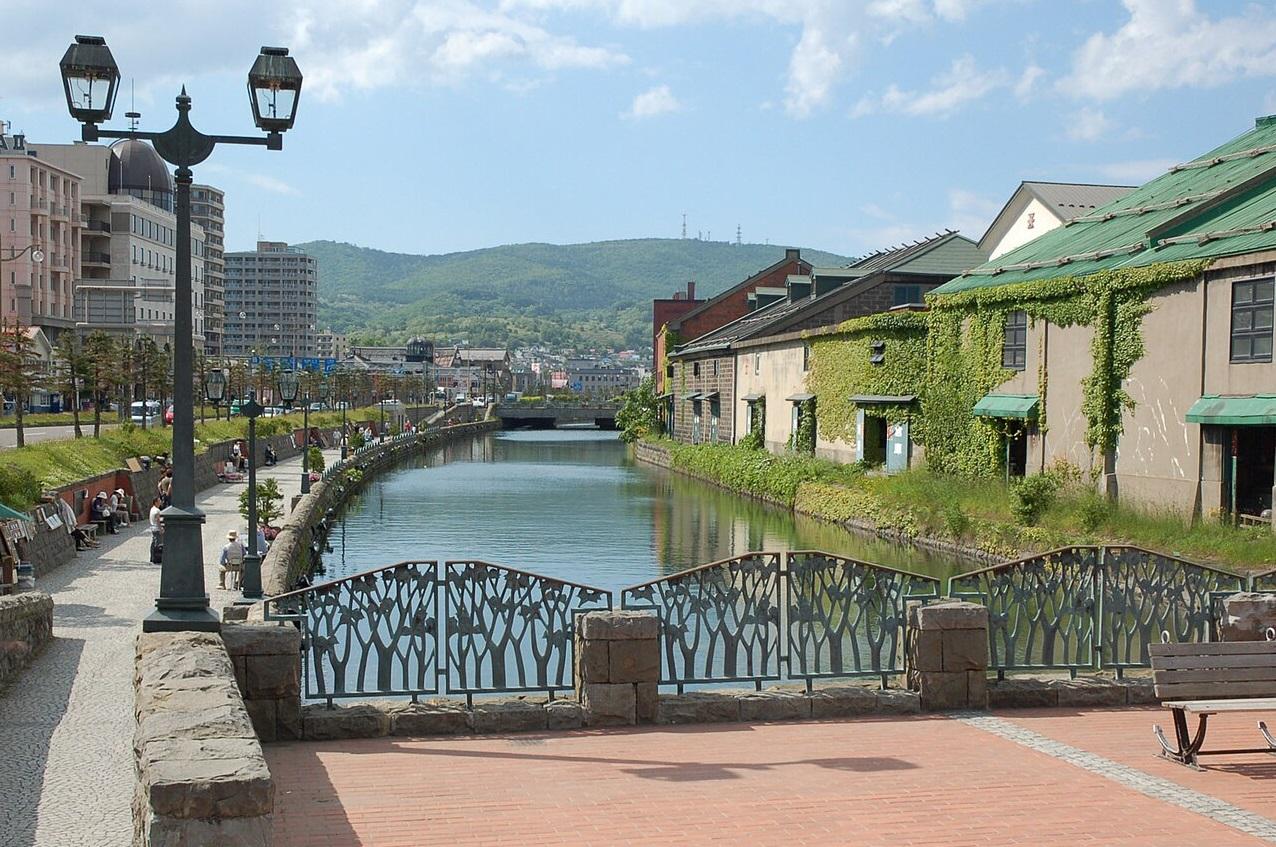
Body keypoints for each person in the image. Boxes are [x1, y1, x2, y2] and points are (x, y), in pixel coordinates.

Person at [148, 497, 164, 564]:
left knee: (153, 543)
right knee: (158, 544)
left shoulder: (152, 509)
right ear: (156, 502)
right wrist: (161, 528)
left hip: (152, 528)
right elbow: (158, 521)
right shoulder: (157, 510)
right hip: (157, 528)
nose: (160, 502)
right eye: (159, 501)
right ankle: (157, 558)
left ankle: (152, 557)